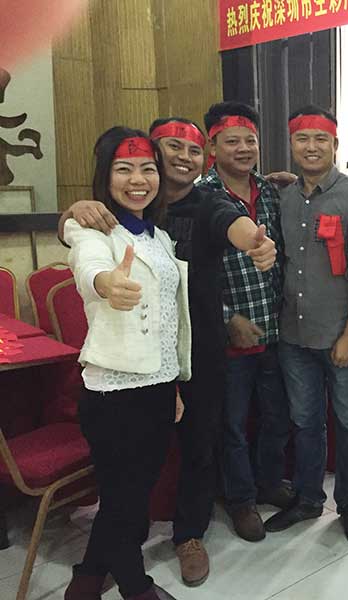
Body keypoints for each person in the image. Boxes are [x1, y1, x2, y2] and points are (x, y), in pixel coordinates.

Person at [58, 116, 279, 585]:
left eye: (193, 150)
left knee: (198, 447)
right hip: (123, 373)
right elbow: (86, 255)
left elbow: (233, 223)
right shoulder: (109, 216)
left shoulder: (197, 207)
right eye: (171, 148)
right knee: (128, 484)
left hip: (191, 357)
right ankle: (119, 561)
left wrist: (255, 242)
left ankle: (188, 535)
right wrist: (100, 272)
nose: (183, 157)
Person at [63, 127, 189, 600]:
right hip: (113, 390)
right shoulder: (90, 229)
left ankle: (87, 578)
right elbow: (87, 264)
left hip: (158, 385)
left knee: (132, 492)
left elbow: (167, 319)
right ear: (105, 176)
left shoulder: (160, 237)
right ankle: (136, 587)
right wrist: (104, 283)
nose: (137, 180)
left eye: (147, 169)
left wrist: (172, 382)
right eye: (124, 169)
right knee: (124, 498)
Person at [263, 106, 348, 544]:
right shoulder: (285, 197)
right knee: (305, 421)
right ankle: (309, 498)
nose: (311, 147)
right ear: (291, 144)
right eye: (302, 139)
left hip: (341, 334)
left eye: (320, 139)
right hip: (294, 334)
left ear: (335, 144)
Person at [199, 101, 293, 542]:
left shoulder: (270, 192)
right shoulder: (200, 197)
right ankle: (240, 500)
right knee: (233, 425)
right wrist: (225, 318)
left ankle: (269, 481)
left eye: (249, 140)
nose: (242, 148)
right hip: (228, 336)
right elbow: (186, 274)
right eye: (231, 141)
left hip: (274, 329)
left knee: (276, 416)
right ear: (212, 146)